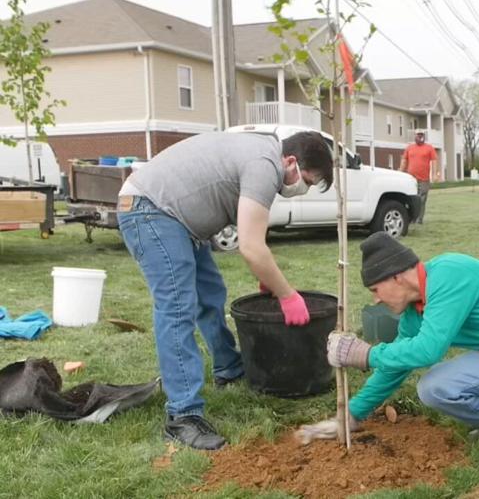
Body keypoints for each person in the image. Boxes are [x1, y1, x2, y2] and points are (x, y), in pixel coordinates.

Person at [116, 131, 333, 450]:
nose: (304, 189)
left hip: (175, 217)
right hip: (151, 209)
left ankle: (229, 369)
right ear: (291, 161)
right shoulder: (265, 165)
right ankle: (183, 417)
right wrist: (287, 295)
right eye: (309, 181)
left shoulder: (263, 157)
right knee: (177, 308)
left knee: (210, 293)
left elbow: (253, 228)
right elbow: (250, 247)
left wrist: (268, 277)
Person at [299, 232, 479, 469]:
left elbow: (428, 350)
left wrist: (366, 354)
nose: (375, 299)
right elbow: (397, 364)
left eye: (375, 289)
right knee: (433, 387)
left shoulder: (449, 273)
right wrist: (351, 415)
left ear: (396, 277)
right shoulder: (414, 312)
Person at [399, 130, 438, 224]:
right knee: (410, 198)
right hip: (411, 179)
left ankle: (419, 219)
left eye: (422, 135)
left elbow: (434, 162)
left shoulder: (429, 148)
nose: (420, 137)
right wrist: (400, 171)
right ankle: (410, 218)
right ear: (415, 136)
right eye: (418, 135)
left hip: (424, 179)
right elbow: (404, 160)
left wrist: (434, 174)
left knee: (421, 199)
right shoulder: (409, 148)